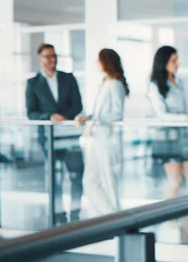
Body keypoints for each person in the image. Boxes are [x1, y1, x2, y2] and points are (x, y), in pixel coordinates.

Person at [147, 45, 188, 244]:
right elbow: (162, 115)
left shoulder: (179, 82)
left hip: (183, 137)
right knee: (175, 181)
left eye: (177, 60)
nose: (177, 64)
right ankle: (170, 223)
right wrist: (186, 119)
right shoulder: (154, 85)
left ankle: (186, 222)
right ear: (163, 63)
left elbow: (186, 110)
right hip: (166, 138)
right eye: (173, 61)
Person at [26, 43, 84, 224]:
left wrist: (66, 117)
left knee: (76, 176)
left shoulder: (68, 78)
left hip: (69, 136)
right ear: (40, 59)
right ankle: (58, 215)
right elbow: (31, 112)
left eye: (54, 56)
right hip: (49, 137)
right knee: (55, 178)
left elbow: (78, 104)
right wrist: (49, 116)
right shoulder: (33, 83)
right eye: (48, 56)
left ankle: (76, 213)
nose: (52, 60)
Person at [75, 48, 129, 216]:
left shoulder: (115, 84)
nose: (96, 64)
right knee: (90, 181)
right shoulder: (105, 82)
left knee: (109, 180)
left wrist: (98, 120)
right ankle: (109, 215)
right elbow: (100, 113)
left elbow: (118, 113)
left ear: (106, 62)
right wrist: (89, 117)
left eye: (98, 60)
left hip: (107, 139)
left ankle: (115, 217)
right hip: (97, 138)